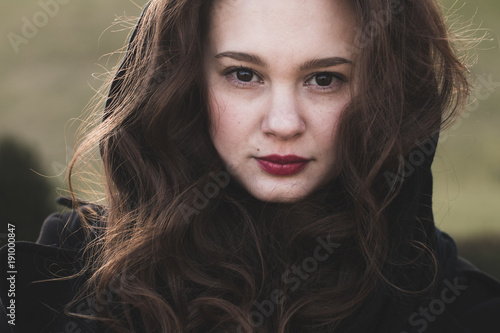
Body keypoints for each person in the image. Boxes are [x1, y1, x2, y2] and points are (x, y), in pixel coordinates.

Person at [1, 0, 499, 332]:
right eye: (243, 74)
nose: (283, 123)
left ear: (386, 94)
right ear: (186, 83)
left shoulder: (458, 312)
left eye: (324, 79)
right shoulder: (64, 272)